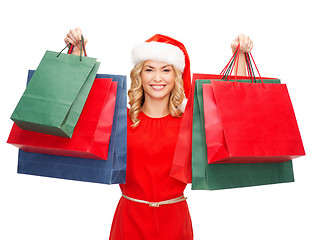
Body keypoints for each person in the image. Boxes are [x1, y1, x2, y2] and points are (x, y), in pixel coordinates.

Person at [65, 29, 253, 240]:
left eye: (165, 70)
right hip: (129, 222)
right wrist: (77, 53)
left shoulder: (188, 123)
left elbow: (233, 116)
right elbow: (81, 114)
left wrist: (240, 56)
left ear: (176, 76)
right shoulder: (121, 121)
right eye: (149, 69)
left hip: (174, 223)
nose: (157, 78)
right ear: (139, 74)